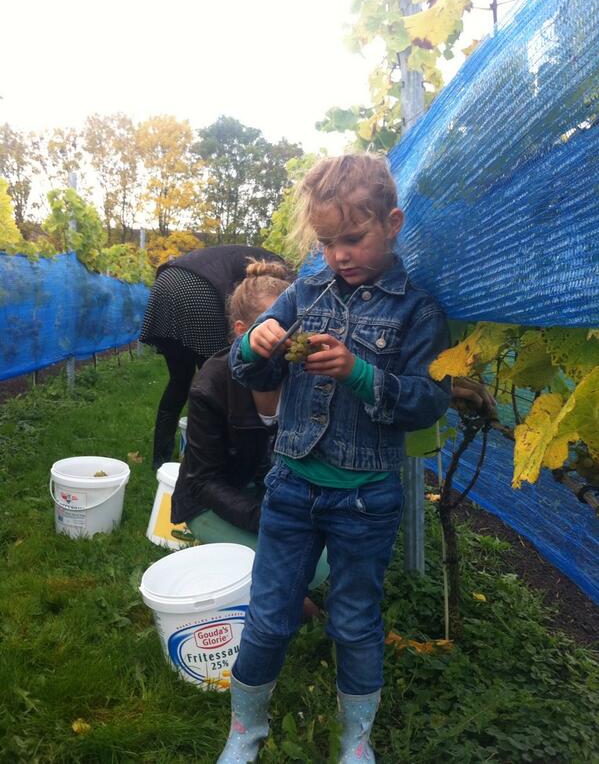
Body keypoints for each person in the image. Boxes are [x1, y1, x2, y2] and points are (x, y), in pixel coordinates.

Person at [217, 154, 452, 764]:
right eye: (326, 243)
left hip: (366, 499)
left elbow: (427, 401)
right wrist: (255, 343)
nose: (338, 255)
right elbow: (248, 370)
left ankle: (356, 738)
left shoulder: (417, 312)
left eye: (353, 238)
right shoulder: (304, 291)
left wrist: (359, 372)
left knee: (354, 620)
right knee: (269, 615)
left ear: (391, 223)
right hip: (292, 487)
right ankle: (245, 730)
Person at [170, 258, 329, 593]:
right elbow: (202, 482)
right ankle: (254, 581)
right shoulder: (211, 385)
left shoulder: (303, 373)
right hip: (213, 501)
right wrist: (266, 519)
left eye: (295, 327)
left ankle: (271, 579)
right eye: (276, 328)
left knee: (317, 567)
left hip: (275, 494)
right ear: (243, 331)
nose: (289, 339)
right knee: (286, 567)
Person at [140, 244, 286, 470]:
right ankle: (207, 460)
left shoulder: (253, 257)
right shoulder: (282, 273)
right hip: (197, 291)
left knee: (179, 381)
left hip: (164, 285)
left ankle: (161, 459)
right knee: (218, 383)